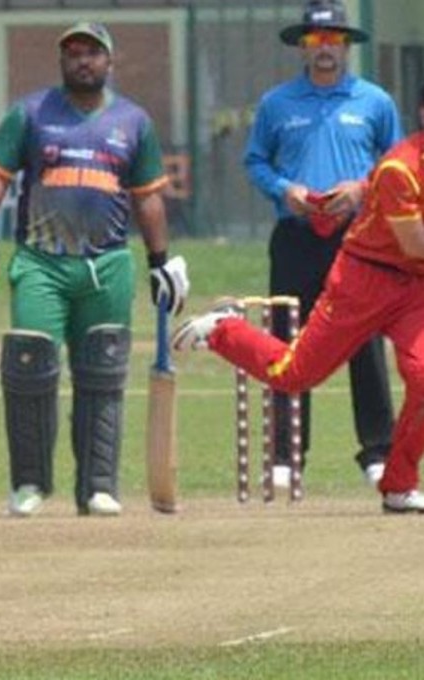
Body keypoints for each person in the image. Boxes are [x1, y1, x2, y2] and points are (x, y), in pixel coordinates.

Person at [0, 21, 189, 518]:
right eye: (74, 53)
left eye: (92, 53)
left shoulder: (132, 121)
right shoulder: (32, 113)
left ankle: (99, 486)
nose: (83, 60)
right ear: (63, 61)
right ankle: (30, 484)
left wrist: (161, 262)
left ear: (109, 61)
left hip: (107, 263)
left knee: (102, 371)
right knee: (30, 366)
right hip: (42, 262)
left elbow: (148, 198)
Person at [175, 83, 424, 513]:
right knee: (295, 374)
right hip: (365, 278)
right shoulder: (400, 169)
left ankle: (398, 484)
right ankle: (224, 329)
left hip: (414, 286)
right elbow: (415, 242)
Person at [243, 0, 402, 489]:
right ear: (303, 48)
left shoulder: (373, 101)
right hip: (295, 236)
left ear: (347, 46)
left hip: (358, 238)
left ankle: (377, 450)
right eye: (316, 41)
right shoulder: (277, 103)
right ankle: (288, 457)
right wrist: (283, 190)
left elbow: (398, 163)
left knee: (365, 340)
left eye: (334, 40)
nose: (326, 50)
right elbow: (256, 161)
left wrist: (362, 189)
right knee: (289, 340)